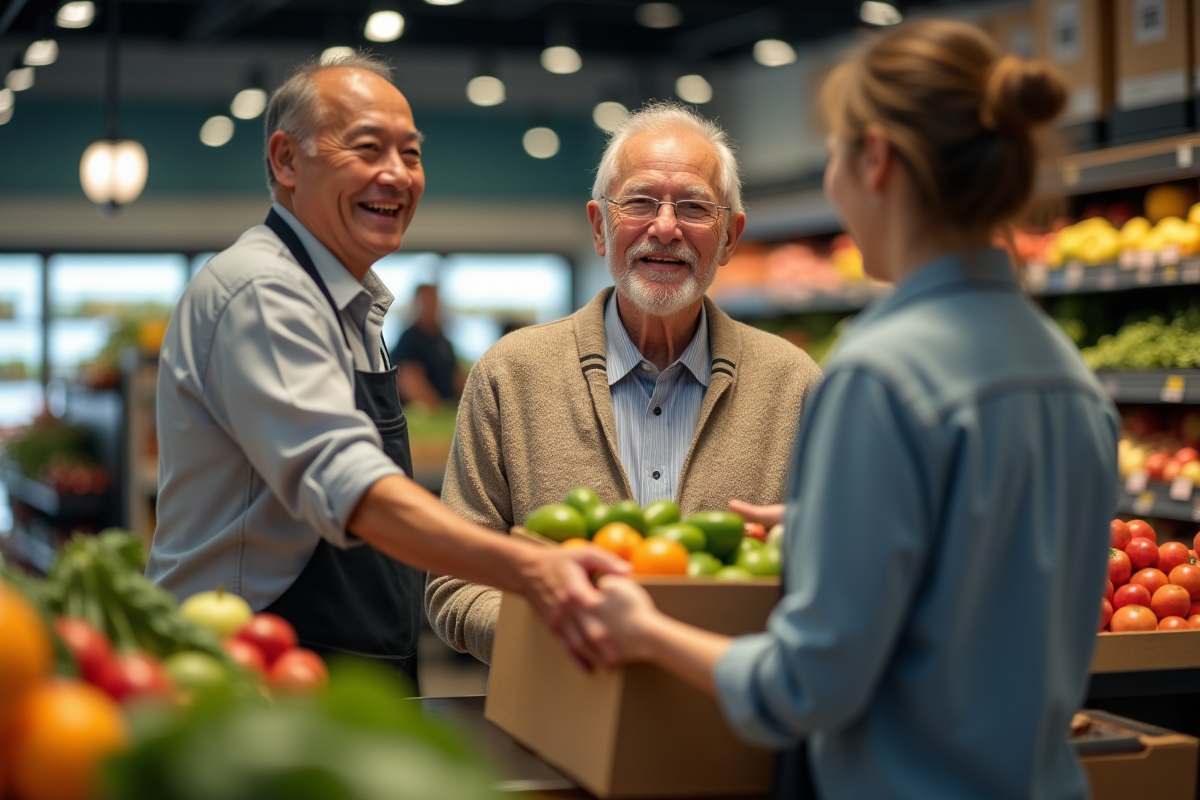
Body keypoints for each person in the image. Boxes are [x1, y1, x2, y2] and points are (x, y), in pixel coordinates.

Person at [590, 20, 1119, 800]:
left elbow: (806, 686)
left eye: (834, 153)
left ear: (875, 160)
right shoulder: (1070, 380)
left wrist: (644, 632)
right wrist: (830, 531)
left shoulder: (879, 373)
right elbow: (997, 596)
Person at [145, 53, 625, 690]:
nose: (397, 176)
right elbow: (350, 485)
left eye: (412, 154)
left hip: (345, 660)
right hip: (252, 673)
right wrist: (528, 568)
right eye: (368, 148)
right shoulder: (264, 290)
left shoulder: (348, 302)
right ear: (286, 160)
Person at [425, 102, 822, 664]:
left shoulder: (795, 385)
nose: (665, 227)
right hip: (555, 728)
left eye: (694, 207)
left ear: (730, 237)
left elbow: (830, 578)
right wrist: (561, 633)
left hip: (729, 731)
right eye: (639, 201)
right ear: (599, 226)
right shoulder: (509, 374)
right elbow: (453, 584)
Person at [391, 283, 465, 409]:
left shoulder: (441, 339)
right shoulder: (410, 339)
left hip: (447, 412)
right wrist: (437, 409)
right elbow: (409, 381)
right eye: (426, 301)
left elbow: (456, 377)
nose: (431, 305)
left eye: (434, 300)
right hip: (423, 417)